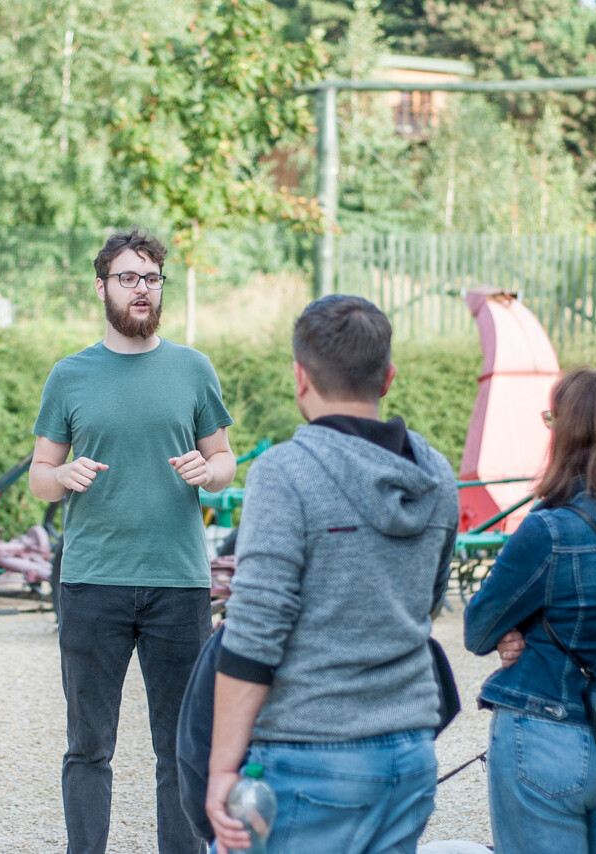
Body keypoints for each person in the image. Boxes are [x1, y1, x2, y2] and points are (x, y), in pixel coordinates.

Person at [206, 295, 459, 853]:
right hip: (409, 752)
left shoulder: (285, 473)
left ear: (300, 377)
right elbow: (430, 599)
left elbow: (254, 631)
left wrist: (222, 768)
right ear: (388, 377)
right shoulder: (437, 475)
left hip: (306, 757)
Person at [29, 226, 236, 854]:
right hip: (93, 583)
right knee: (89, 745)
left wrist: (212, 472)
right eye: (128, 278)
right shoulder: (70, 376)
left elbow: (224, 459)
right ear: (103, 287)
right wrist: (62, 475)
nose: (141, 289)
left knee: (180, 747)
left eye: (151, 278)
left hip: (179, 583)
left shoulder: (193, 369)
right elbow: (40, 476)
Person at [465, 368, 596, 854]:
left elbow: (478, 629)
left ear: (569, 434)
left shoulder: (549, 528)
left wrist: (513, 631)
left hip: (545, 731)